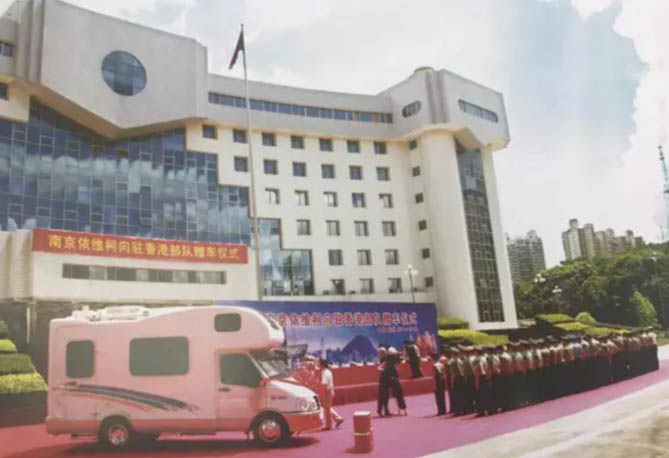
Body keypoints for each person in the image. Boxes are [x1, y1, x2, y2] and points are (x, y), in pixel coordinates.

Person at [319, 358, 344, 430]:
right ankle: (337, 418)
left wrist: (319, 388)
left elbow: (324, 383)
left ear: (322, 365)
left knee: (326, 409)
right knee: (327, 407)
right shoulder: (329, 371)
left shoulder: (324, 372)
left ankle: (329, 425)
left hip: (326, 391)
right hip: (330, 390)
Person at [377, 347, 391, 417]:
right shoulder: (384, 360)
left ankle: (383, 410)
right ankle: (384, 410)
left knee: (384, 396)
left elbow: (380, 368)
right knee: (384, 396)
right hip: (384, 379)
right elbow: (380, 368)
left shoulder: (383, 359)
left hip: (384, 379)